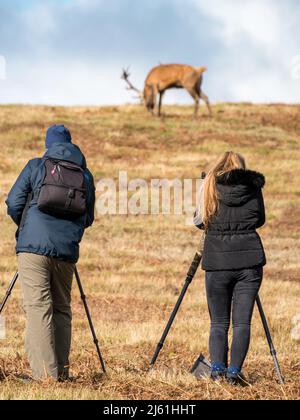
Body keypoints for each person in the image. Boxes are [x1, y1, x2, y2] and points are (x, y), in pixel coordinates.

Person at [6, 125, 95, 381]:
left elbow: (14, 203)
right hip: (66, 252)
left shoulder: (36, 165)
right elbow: (88, 217)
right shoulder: (84, 175)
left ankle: (46, 378)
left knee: (38, 308)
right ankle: (61, 373)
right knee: (61, 309)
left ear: (48, 145)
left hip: (33, 249)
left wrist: (25, 227)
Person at [195, 151, 266, 385]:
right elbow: (260, 219)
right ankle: (234, 372)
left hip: (217, 261)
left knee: (218, 322)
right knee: (242, 322)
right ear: (242, 168)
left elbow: (198, 221)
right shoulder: (253, 186)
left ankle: (217, 370)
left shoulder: (209, 186)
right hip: (249, 260)